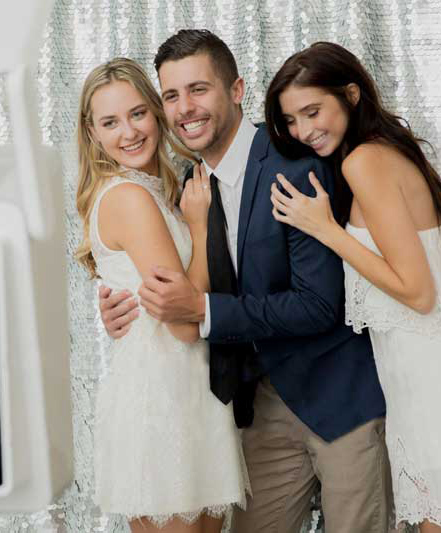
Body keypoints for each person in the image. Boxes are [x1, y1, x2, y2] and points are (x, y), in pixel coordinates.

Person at [99, 30, 391, 533]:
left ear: (236, 90)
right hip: (253, 408)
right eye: (171, 96)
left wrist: (202, 311)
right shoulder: (185, 183)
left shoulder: (294, 166)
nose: (185, 108)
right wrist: (118, 303)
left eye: (199, 89)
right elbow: (153, 263)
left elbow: (320, 304)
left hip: (336, 398)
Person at [265, 41, 441, 533]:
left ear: (352, 94)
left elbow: (418, 292)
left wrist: (325, 229)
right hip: (410, 369)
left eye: (313, 110)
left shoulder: (363, 162)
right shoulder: (380, 152)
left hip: (426, 371)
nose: (303, 130)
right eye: (291, 120)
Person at [75, 57, 248, 533]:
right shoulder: (129, 197)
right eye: (110, 122)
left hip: (189, 392)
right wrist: (197, 224)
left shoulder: (157, 189)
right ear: (92, 134)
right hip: (163, 401)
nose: (128, 132)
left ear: (155, 113)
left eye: (137, 114)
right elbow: (184, 322)